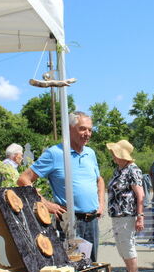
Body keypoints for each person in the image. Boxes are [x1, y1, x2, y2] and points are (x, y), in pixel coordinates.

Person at [17, 111, 105, 261]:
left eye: (90, 130)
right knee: (73, 267)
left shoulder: (90, 153)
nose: (87, 133)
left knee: (92, 267)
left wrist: (101, 204)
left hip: (92, 221)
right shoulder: (55, 153)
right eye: (82, 129)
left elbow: (99, 180)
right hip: (70, 222)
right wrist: (45, 204)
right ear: (69, 129)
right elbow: (23, 180)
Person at [106, 139, 145, 272]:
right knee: (121, 246)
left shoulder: (132, 170)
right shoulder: (119, 170)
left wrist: (140, 217)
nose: (113, 156)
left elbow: (140, 195)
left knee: (127, 245)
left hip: (127, 214)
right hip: (118, 215)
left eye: (115, 154)